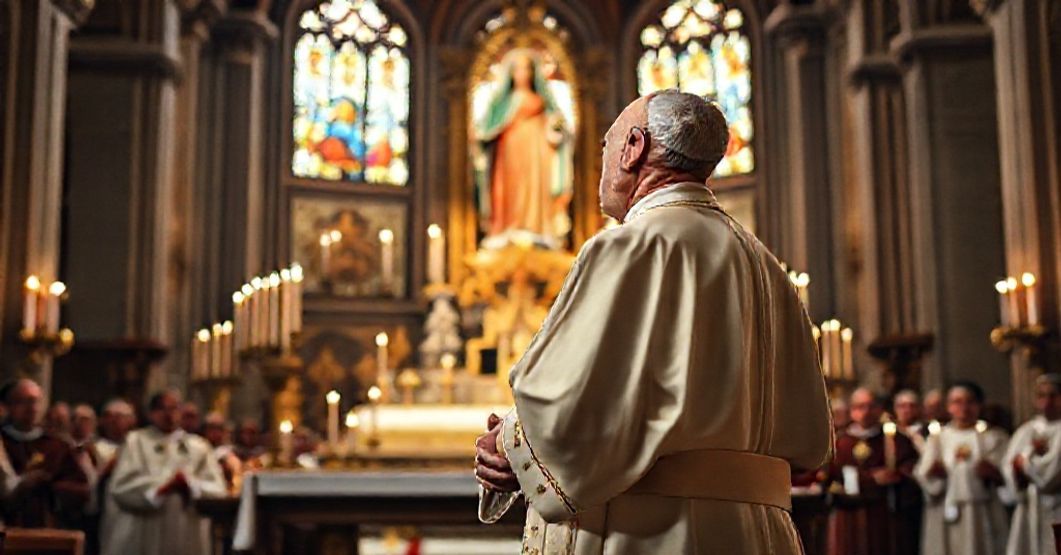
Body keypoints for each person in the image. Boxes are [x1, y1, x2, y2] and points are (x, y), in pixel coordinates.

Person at [473, 90, 832, 553]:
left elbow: (571, 406)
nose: (602, 160)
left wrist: (507, 443)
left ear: (634, 147)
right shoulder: (767, 265)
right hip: (759, 533)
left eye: (607, 144)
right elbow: (809, 436)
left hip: (653, 531)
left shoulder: (632, 246)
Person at [101, 390, 226, 555]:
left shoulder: (199, 447)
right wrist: (159, 491)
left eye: (174, 408)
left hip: (186, 529)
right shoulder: (136, 441)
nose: (169, 414)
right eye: (163, 409)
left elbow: (218, 489)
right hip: (144, 530)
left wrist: (191, 485)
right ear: (152, 413)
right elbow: (120, 486)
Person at [473, 49, 574, 242]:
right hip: (509, 151)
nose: (522, 73)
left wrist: (554, 129)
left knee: (534, 187)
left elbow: (559, 133)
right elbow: (486, 132)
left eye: (527, 68)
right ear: (510, 73)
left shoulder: (543, 103)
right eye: (518, 69)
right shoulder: (501, 105)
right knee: (511, 188)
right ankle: (507, 227)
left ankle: (537, 227)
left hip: (537, 154)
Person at [915, 381, 1009, 555]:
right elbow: (923, 474)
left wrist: (995, 474)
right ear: (948, 407)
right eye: (957, 402)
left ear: (979, 405)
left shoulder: (994, 438)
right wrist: (934, 475)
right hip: (945, 509)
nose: (964, 407)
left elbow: (1008, 476)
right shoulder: (938, 439)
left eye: (970, 401)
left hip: (983, 512)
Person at [827, 388, 920, 555]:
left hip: (885, 514)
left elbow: (910, 469)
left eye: (871, 406)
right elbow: (832, 477)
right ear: (852, 410)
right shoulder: (840, 443)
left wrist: (896, 475)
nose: (866, 412)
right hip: (850, 515)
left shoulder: (896, 439)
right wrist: (871, 479)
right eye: (860, 406)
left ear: (880, 409)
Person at [0, 379, 89, 528]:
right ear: (7, 406)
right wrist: (20, 487)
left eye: (36, 401)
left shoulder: (58, 445)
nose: (32, 408)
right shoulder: (3, 441)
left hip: (46, 525)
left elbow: (81, 488)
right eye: (23, 401)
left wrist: (50, 485)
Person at [1003, 374, 1061, 555]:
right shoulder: (1026, 430)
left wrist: (1025, 461)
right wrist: (1017, 469)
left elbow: (1050, 475)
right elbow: (1009, 464)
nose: (1048, 401)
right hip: (1029, 506)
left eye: (1054, 395)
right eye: (1042, 396)